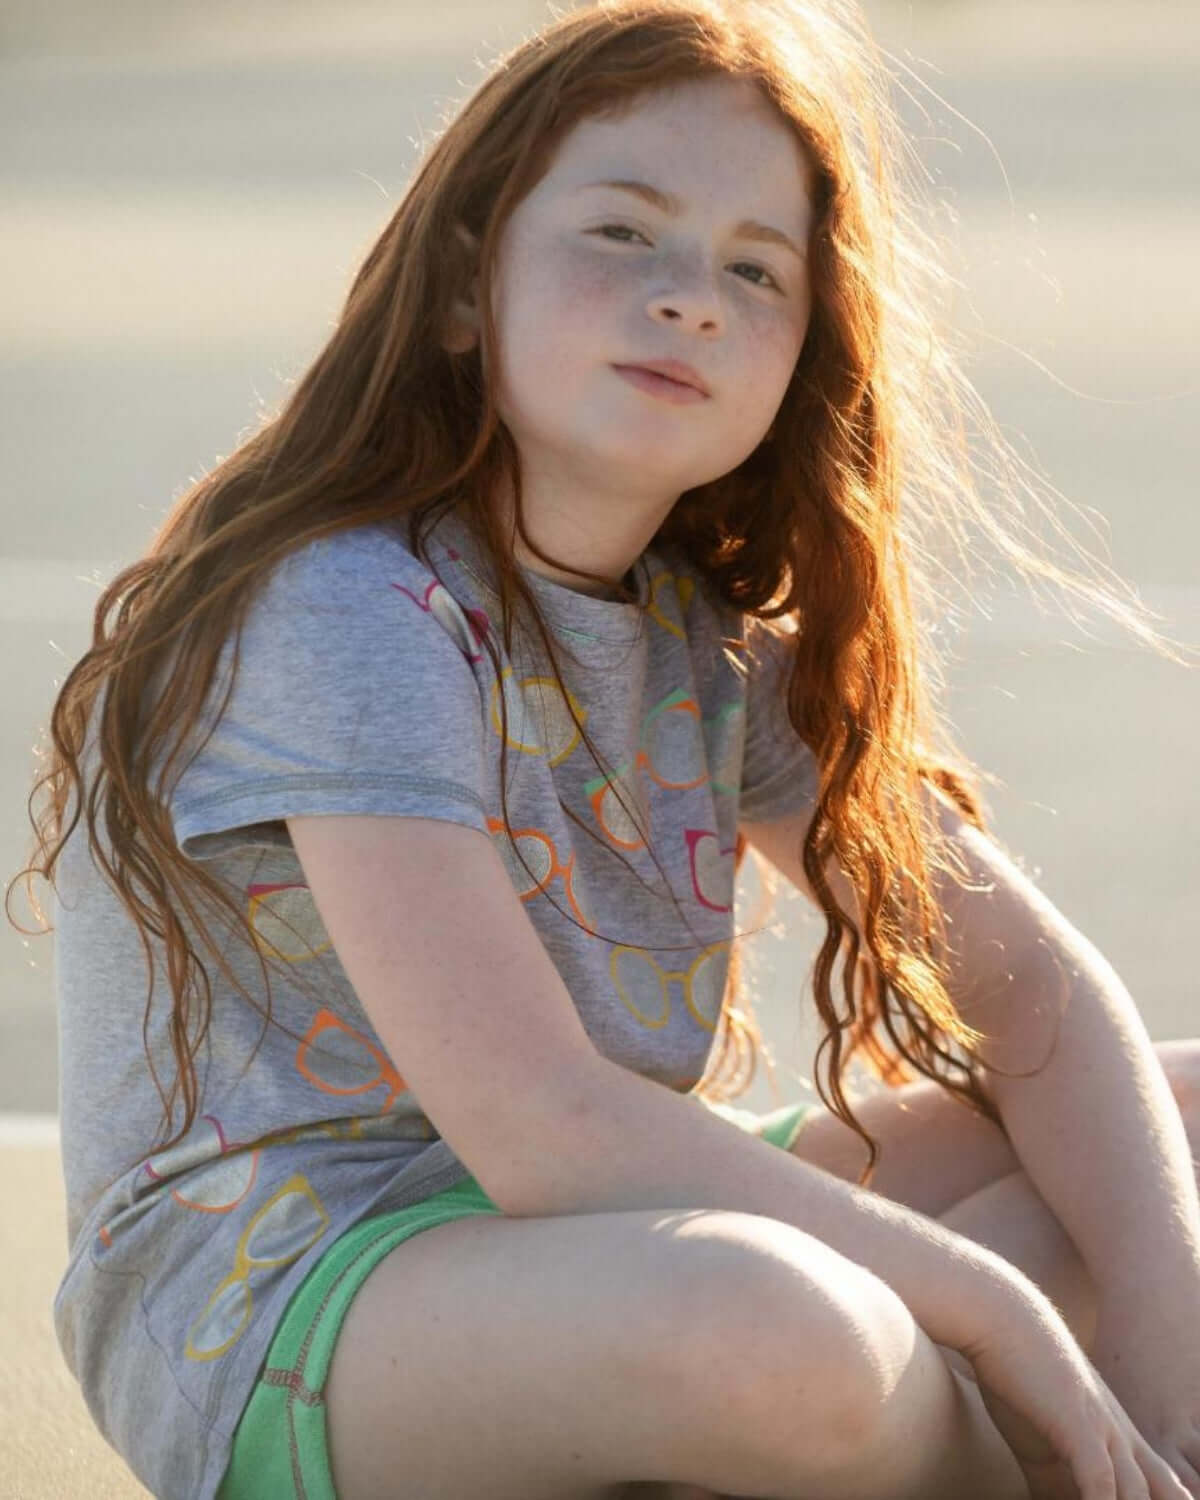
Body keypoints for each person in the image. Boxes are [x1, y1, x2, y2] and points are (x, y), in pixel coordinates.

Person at [8, 0, 1200, 1497]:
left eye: (753, 270)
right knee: (789, 1331)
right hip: (299, 1299)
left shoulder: (707, 645)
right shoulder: (347, 607)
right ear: (463, 286)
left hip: (594, 1249)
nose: (689, 297)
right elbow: (542, 1132)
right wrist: (1003, 1307)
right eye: (624, 234)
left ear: (799, 359)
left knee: (1173, 1127)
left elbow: (1034, 995)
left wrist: (1165, 1352)